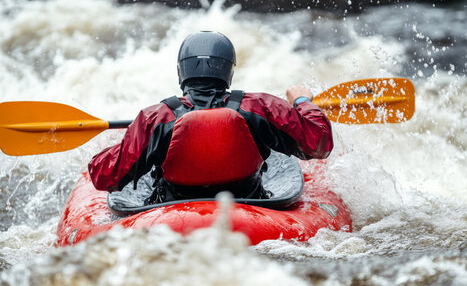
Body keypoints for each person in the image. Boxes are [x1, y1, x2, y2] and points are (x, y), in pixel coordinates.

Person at [88, 31, 333, 205]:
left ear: (181, 71)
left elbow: (104, 176)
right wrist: (302, 101)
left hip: (173, 211)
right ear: (229, 71)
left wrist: (122, 143)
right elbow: (319, 143)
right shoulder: (260, 107)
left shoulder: (154, 118)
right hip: (249, 206)